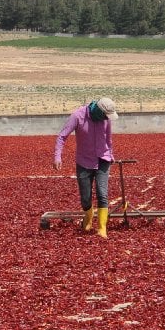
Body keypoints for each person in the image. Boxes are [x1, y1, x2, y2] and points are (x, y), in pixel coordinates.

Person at [53, 97, 118, 238]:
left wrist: (110, 154)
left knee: (102, 194)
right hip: (84, 162)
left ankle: (102, 228)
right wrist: (58, 156)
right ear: (99, 111)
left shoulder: (105, 119)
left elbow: (108, 139)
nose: (107, 118)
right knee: (86, 198)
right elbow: (62, 136)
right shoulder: (78, 116)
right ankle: (88, 216)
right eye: (105, 116)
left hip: (103, 159)